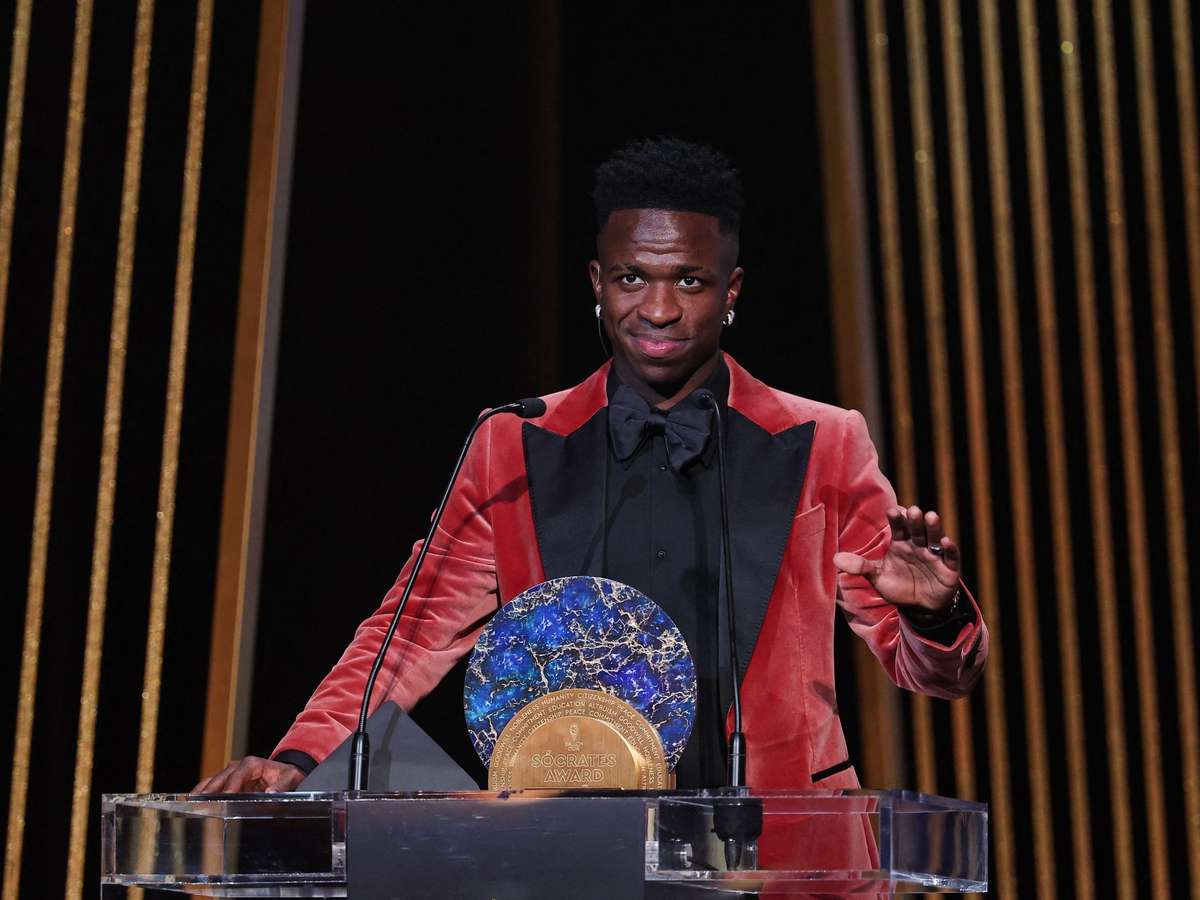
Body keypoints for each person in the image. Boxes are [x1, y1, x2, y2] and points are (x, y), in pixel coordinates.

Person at [194, 137, 987, 795]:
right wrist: (301, 759)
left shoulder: (825, 442)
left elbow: (936, 675)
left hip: (785, 852)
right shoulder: (511, 441)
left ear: (732, 290)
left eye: (690, 280)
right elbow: (407, 631)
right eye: (633, 277)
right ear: (598, 284)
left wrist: (935, 616)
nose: (660, 309)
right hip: (575, 845)